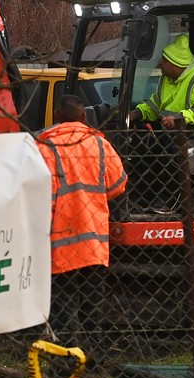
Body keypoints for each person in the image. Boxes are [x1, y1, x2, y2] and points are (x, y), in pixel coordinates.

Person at [36, 95, 128, 276]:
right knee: (93, 297)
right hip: (94, 239)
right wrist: (95, 196)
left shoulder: (46, 147)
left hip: (60, 241)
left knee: (64, 299)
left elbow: (42, 194)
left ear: (56, 116)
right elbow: (118, 184)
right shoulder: (101, 145)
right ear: (84, 117)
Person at [128, 33, 194, 130]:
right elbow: (155, 106)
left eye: (165, 60)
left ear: (177, 64)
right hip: (171, 137)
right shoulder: (166, 78)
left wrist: (178, 119)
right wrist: (137, 113)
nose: (160, 63)